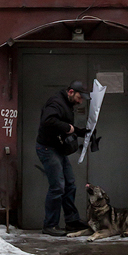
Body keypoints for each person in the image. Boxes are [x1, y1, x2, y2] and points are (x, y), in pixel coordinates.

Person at [36, 81, 92, 237]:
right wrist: (69, 128)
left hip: (57, 150)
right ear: (71, 92)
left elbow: (66, 127)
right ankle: (50, 225)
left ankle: (72, 221)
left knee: (70, 185)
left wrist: (83, 133)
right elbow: (48, 121)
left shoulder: (66, 104)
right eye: (79, 97)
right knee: (58, 187)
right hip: (48, 149)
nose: (80, 101)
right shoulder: (56, 102)